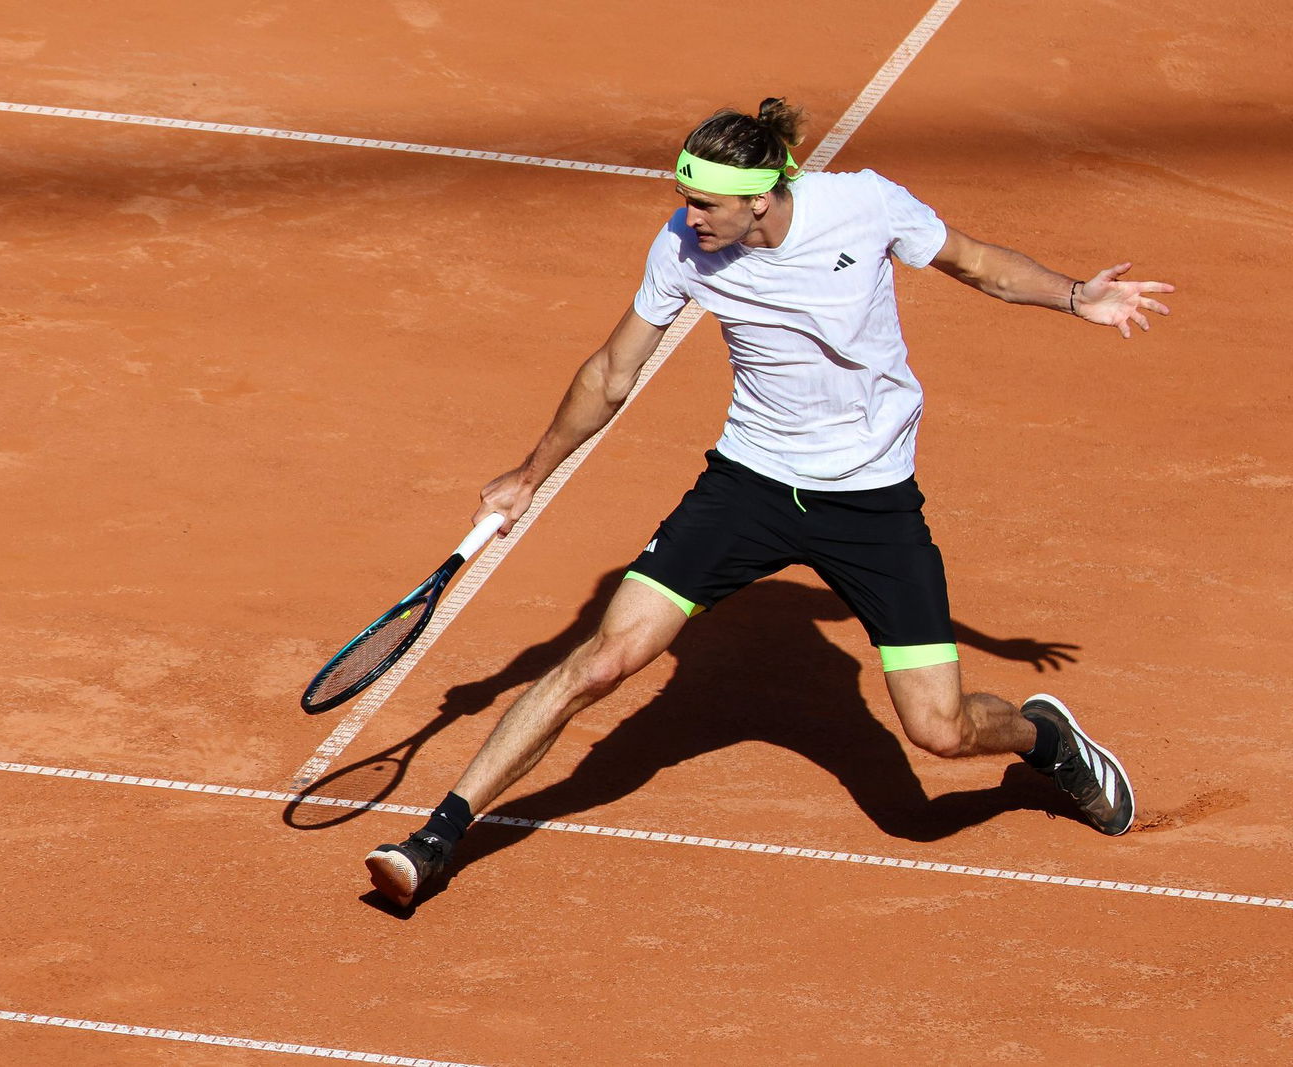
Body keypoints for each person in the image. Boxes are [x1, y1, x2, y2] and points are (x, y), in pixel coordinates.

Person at [364, 98, 1174, 908]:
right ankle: (435, 838)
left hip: (871, 505)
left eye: (705, 203)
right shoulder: (682, 248)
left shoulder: (863, 204)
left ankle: (1047, 740)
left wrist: (1076, 296)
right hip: (748, 486)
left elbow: (976, 263)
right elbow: (612, 371)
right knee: (602, 660)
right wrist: (529, 472)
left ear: (761, 197)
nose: (688, 218)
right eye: (685, 199)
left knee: (941, 731)